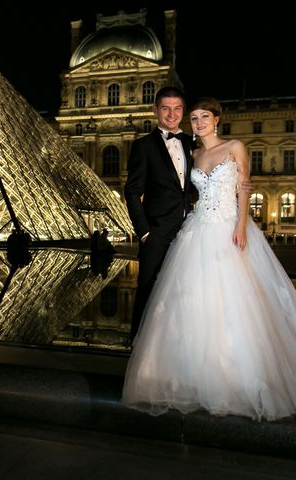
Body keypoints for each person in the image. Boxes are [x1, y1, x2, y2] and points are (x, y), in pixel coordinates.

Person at [122, 97, 296, 421]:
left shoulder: (235, 146)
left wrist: (240, 226)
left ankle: (237, 376)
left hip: (227, 228)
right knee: (192, 303)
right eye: (193, 118)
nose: (197, 122)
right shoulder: (192, 153)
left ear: (217, 119)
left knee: (237, 301)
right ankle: (197, 375)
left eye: (203, 116)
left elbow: (244, 188)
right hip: (196, 230)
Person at [124, 87, 197, 341]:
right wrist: (144, 232)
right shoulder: (143, 146)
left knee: (183, 292)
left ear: (183, 111)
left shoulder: (192, 142)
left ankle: (173, 345)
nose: (171, 114)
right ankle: (137, 347)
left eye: (177, 109)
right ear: (155, 110)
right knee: (146, 290)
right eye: (165, 108)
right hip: (156, 232)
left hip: (190, 231)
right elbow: (132, 192)